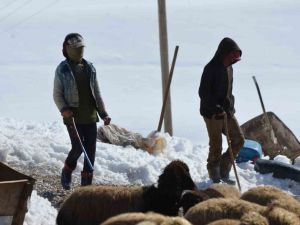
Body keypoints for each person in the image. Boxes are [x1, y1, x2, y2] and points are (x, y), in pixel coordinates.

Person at [53, 33, 111, 189]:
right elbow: (57, 94)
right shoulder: (63, 69)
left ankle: (86, 187)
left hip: (90, 116)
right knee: (78, 147)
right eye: (76, 49)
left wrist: (103, 113)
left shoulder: (90, 68)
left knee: (90, 151)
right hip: (73, 117)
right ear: (68, 49)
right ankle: (67, 170)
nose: (80, 51)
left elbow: (96, 93)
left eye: (81, 48)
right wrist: (64, 109)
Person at [198, 37, 245, 184]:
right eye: (233, 56)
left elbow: (229, 92)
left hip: (227, 112)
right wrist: (215, 107)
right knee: (216, 144)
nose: (234, 60)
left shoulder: (230, 69)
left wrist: (229, 106)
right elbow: (203, 92)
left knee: (238, 140)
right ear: (225, 53)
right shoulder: (210, 68)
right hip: (211, 113)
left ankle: (224, 167)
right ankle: (214, 171)